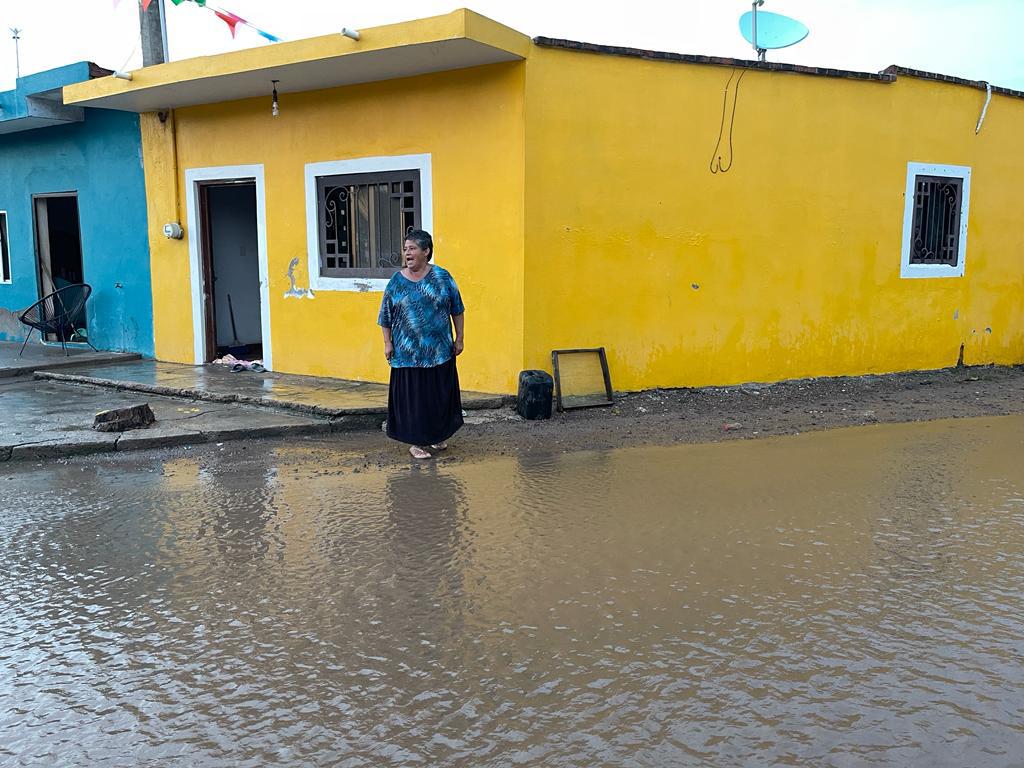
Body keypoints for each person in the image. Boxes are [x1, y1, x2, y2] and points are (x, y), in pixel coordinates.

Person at [378, 229, 465, 460]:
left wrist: (460, 337)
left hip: (439, 352)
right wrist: (387, 343)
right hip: (407, 354)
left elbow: (457, 308)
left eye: (412, 248)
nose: (407, 253)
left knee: (437, 396)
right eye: (405, 249)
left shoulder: (442, 277)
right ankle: (416, 442)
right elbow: (385, 316)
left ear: (426, 251)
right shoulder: (396, 282)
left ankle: (436, 436)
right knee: (413, 400)